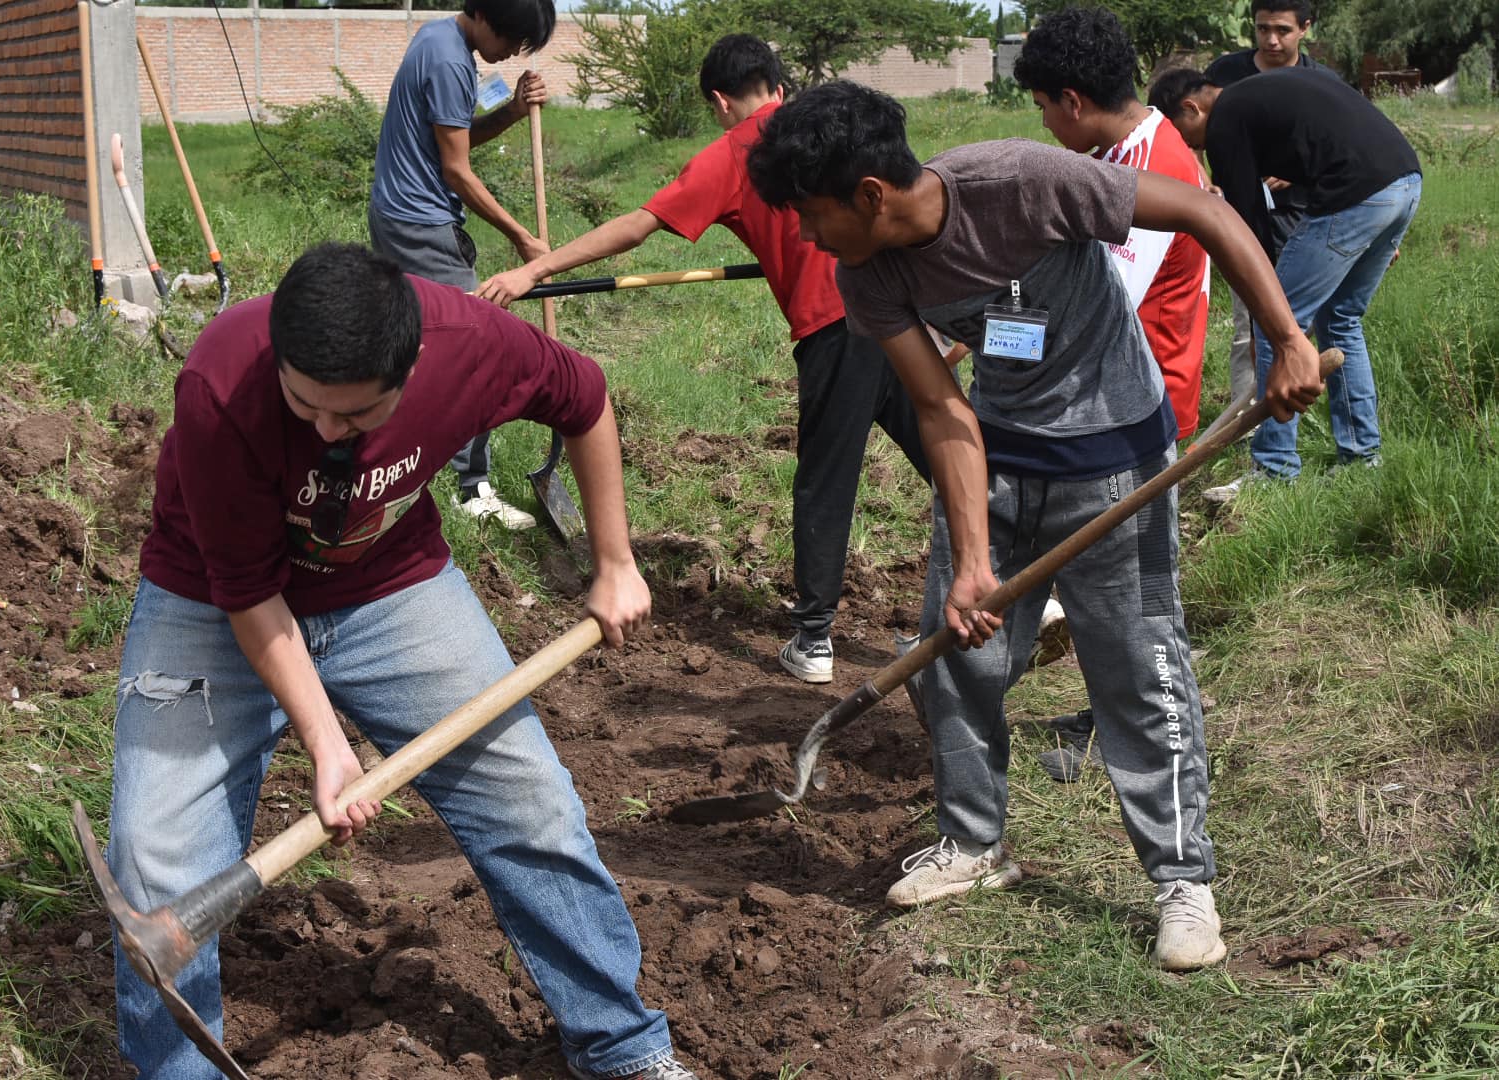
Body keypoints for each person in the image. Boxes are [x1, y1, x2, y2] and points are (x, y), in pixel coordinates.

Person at [746, 82, 1324, 970]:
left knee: (1136, 669)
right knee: (956, 657)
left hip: (1115, 462)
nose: (807, 236)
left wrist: (1284, 337)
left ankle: (1182, 881)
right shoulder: (866, 275)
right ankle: (975, 847)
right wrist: (972, 561)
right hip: (1004, 464)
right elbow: (942, 412)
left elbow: (1205, 210)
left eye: (812, 213)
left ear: (870, 193)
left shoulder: (1022, 180)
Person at [106, 243, 698, 1080]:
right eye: (305, 405)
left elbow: (586, 397)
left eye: (354, 417)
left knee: (531, 804)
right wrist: (326, 744)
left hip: (392, 588)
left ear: (411, 366)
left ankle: (623, 1047)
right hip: (209, 599)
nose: (324, 430)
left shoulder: (471, 344)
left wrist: (615, 561)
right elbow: (248, 595)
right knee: (152, 852)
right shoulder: (220, 382)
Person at [477, 34, 930, 686]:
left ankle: (814, 640)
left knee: (826, 480)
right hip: (902, 307)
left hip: (836, 327)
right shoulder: (834, 123)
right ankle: (1026, 578)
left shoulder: (740, 151)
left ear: (720, 100)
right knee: (945, 441)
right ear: (776, 82)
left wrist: (537, 269)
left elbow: (638, 224)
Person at [1013, 6, 1212, 782]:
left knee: (1138, 592)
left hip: (1141, 402)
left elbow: (1100, 302)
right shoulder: (1127, 146)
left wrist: (1005, 334)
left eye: (1041, 110)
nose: (1045, 126)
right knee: (1112, 578)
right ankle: (1106, 715)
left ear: (1071, 100)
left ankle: (1149, 736)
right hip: (1109, 392)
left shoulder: (1153, 167)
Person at [1150, 67, 1421, 496]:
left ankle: (1273, 471)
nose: (1188, 146)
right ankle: (1362, 458)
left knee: (1277, 321)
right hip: (1403, 183)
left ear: (1191, 107)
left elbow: (1244, 226)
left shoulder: (1225, 120)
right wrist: (1373, 231)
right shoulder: (1266, 92)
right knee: (1341, 318)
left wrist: (1267, 301)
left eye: (1181, 132)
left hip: (1358, 195)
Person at [367, 0, 557, 530]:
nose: (513, 54)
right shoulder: (452, 61)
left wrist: (514, 111)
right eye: (515, 41)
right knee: (475, 349)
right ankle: (471, 489)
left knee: (413, 345)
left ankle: (393, 463)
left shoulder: (437, 38)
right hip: (422, 226)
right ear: (491, 19)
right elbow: (457, 170)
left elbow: (454, 139)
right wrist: (521, 236)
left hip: (394, 214)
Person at [1202, 0, 1338, 446]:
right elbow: (1190, 130)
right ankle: (1249, 420)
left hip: (1304, 219)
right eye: (1263, 30)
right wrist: (1206, 183)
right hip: (1242, 218)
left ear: (1305, 29)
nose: (1272, 41)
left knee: (1307, 323)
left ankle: (1296, 408)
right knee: (1249, 326)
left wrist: (1294, 168)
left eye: (1282, 30)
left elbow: (1337, 149)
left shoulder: (1321, 81)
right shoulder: (1225, 74)